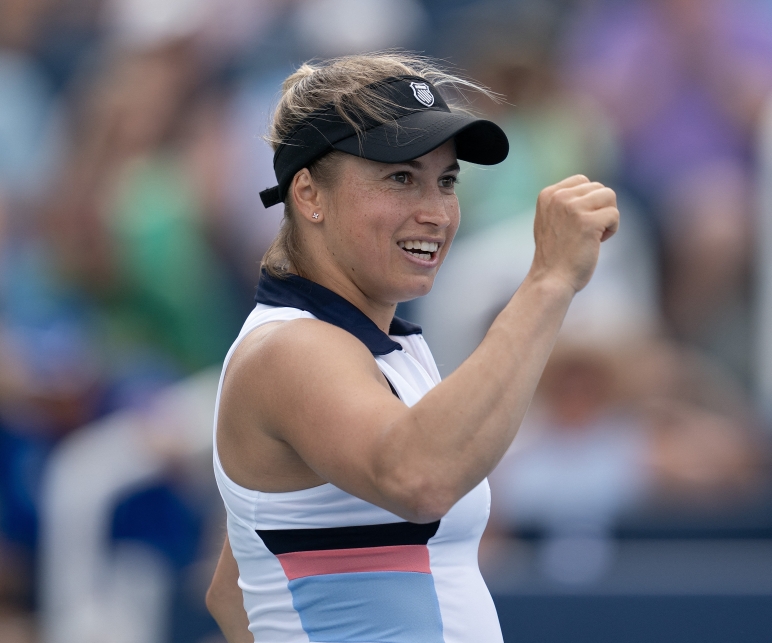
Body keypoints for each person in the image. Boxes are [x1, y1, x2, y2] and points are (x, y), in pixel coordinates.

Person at [204, 53, 619, 643]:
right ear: (308, 194)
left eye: (445, 181)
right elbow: (420, 477)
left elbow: (232, 588)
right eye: (400, 177)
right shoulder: (290, 349)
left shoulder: (379, 351)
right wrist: (548, 280)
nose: (435, 212)